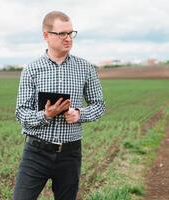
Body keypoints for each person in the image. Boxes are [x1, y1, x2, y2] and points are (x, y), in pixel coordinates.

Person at [13, 11, 105, 200]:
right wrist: (45, 115)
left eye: (71, 33)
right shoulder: (31, 70)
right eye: (62, 33)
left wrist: (79, 114)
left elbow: (99, 105)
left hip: (70, 154)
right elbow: (21, 113)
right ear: (46, 36)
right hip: (36, 153)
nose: (68, 38)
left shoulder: (85, 68)